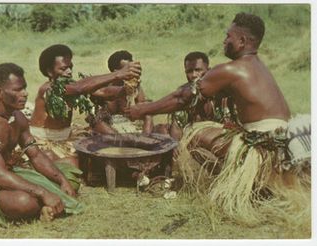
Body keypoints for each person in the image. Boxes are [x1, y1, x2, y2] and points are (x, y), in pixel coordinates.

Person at [125, 12, 310, 223]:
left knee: (195, 133)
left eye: (228, 36)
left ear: (241, 41)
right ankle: (252, 183)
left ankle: (244, 185)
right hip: (278, 143)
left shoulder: (233, 69)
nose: (224, 41)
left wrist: (143, 110)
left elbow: (182, 97)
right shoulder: (258, 66)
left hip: (263, 147)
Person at [0, 63, 84, 227]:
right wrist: (43, 191)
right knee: (24, 202)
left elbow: (35, 155)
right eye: (17, 90)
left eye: (24, 88)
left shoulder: (18, 117)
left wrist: (61, 181)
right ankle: (40, 206)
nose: (25, 94)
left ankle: (47, 204)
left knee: (69, 175)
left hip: (10, 171)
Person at [30, 45, 142, 162]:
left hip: (66, 136)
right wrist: (118, 74)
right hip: (44, 140)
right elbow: (79, 88)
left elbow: (104, 92)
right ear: (49, 71)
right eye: (63, 69)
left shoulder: (71, 85)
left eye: (70, 67)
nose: (69, 72)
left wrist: (126, 88)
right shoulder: (49, 89)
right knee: (77, 162)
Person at [154, 51, 237, 140]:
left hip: (218, 141)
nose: (193, 75)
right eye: (189, 71)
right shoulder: (184, 96)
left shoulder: (223, 96)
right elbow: (176, 133)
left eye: (198, 70)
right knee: (161, 131)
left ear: (208, 70)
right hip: (191, 142)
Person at [88, 50, 153, 134]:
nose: (131, 73)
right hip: (111, 127)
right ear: (116, 72)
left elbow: (143, 110)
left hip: (131, 125)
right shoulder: (105, 88)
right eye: (127, 70)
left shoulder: (135, 87)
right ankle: (121, 140)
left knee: (149, 114)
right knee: (95, 120)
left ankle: (146, 140)